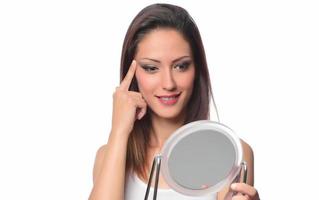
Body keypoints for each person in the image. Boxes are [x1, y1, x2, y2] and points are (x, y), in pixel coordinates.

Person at [89, 3, 260, 200]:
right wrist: (118, 131)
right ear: (132, 73)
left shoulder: (230, 153)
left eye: (181, 66)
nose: (168, 83)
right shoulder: (109, 155)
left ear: (197, 70)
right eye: (151, 68)